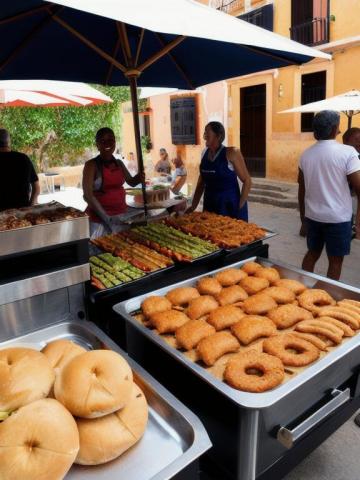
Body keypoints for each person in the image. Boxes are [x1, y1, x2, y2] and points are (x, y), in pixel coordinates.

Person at [298, 110, 360, 280]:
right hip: (338, 218)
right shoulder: (348, 153)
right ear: (334, 129)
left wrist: (303, 219)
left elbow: (301, 190)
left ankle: (302, 286)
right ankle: (329, 295)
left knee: (312, 253)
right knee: (335, 261)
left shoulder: (306, 154)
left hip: (313, 216)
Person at [82, 127, 143, 238]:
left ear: (115, 142)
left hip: (120, 216)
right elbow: (87, 195)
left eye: (111, 140)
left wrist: (140, 177)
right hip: (98, 221)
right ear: (97, 145)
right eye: (103, 141)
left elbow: (131, 182)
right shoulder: (91, 165)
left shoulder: (119, 163)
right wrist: (106, 218)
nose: (107, 144)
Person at [187, 121, 251, 220]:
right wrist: (193, 206)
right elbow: (201, 182)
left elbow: (247, 181)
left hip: (229, 205)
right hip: (210, 205)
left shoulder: (232, 153)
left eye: (207, 133)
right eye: (204, 133)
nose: (204, 136)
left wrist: (240, 206)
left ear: (218, 136)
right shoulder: (204, 153)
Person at [0, 128, 39, 211]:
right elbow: (36, 188)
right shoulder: (24, 158)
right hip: (21, 214)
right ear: (9, 142)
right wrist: (29, 208)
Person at [343, 127, 360, 239]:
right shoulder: (341, 157)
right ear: (346, 142)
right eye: (357, 139)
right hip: (343, 207)